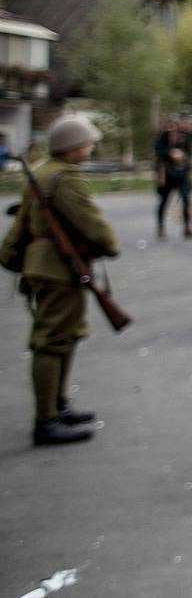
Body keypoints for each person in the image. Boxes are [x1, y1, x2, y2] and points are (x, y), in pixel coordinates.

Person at [1, 115, 120, 445]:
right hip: (59, 268)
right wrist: (112, 246)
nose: (91, 147)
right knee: (52, 341)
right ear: (72, 147)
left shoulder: (42, 172)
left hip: (46, 267)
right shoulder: (66, 178)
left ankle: (58, 404)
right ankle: (46, 420)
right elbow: (91, 222)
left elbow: (21, 224)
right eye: (87, 142)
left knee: (64, 336)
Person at [154, 111, 192, 240]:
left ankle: (187, 228)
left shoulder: (188, 135)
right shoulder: (166, 134)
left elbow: (189, 152)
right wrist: (171, 153)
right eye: (184, 121)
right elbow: (158, 149)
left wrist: (189, 168)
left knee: (186, 200)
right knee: (164, 201)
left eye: (188, 122)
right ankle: (161, 228)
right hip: (167, 173)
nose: (186, 124)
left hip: (182, 173)